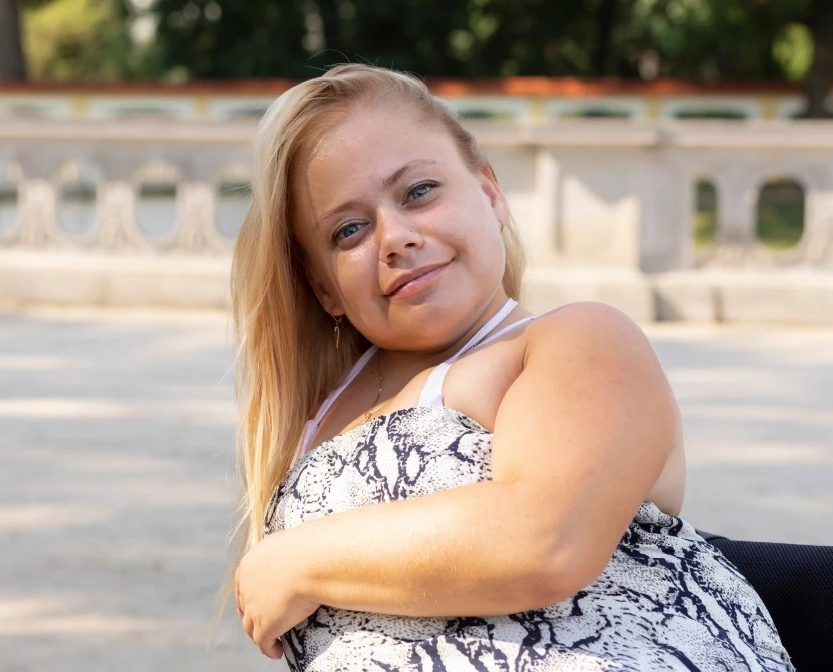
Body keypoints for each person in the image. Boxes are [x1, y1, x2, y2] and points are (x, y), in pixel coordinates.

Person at [218, 64, 794, 671]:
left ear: (491, 193)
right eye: (349, 230)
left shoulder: (572, 343)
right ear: (323, 287)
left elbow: (546, 540)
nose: (395, 237)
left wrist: (298, 561)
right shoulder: (316, 417)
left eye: (418, 192)